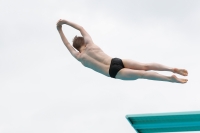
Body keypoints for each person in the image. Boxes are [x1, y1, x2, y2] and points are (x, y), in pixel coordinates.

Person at [56, 19, 188, 83]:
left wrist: (59, 30)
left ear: (77, 47)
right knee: (145, 66)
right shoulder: (90, 44)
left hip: (112, 72)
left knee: (142, 74)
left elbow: (67, 44)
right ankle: (171, 69)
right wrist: (64, 23)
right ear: (83, 42)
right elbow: (81, 28)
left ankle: (170, 79)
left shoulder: (79, 57)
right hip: (116, 60)